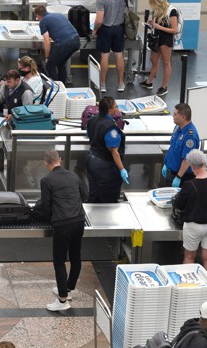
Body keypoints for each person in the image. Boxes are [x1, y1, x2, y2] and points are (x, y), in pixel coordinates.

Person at [38, 150, 87, 312]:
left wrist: (47, 217)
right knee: (75, 256)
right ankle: (68, 288)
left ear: (46, 164)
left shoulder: (46, 180)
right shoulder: (73, 176)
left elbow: (46, 206)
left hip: (62, 224)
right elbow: (85, 194)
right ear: (59, 159)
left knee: (59, 261)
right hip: (79, 221)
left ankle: (62, 299)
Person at [172, 150, 207, 277]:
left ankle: (189, 287)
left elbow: (179, 205)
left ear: (192, 166)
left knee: (189, 257)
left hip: (193, 227)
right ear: (204, 163)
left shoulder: (189, 185)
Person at [85, 96, 128, 203]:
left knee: (94, 194)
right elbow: (114, 151)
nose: (117, 109)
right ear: (109, 110)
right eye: (116, 107)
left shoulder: (92, 119)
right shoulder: (110, 128)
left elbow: (89, 134)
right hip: (104, 167)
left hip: (91, 160)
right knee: (108, 197)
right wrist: (122, 169)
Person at [139, 0, 179, 96]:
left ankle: (164, 87)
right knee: (154, 61)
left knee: (166, 63)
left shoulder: (172, 11)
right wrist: (153, 23)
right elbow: (159, 24)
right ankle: (149, 82)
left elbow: (175, 29)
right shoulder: (158, 11)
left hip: (166, 39)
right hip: (157, 38)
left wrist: (159, 27)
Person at [34, 5, 80, 84]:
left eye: (37, 17)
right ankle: (63, 85)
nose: (37, 19)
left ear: (38, 15)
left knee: (50, 65)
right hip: (76, 41)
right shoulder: (58, 15)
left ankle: (56, 87)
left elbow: (47, 41)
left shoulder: (43, 21)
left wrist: (47, 57)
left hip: (65, 43)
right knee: (61, 63)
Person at [162, 103, 199, 188]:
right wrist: (167, 164)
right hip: (171, 173)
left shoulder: (190, 136)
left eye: (175, 114)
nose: (173, 116)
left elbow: (187, 159)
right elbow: (172, 147)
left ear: (183, 117)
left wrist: (178, 177)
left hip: (182, 178)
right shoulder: (178, 128)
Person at [93, 0, 126, 93]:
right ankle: (120, 83)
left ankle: (102, 84)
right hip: (119, 28)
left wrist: (95, 30)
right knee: (119, 55)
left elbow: (99, 20)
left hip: (105, 29)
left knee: (105, 55)